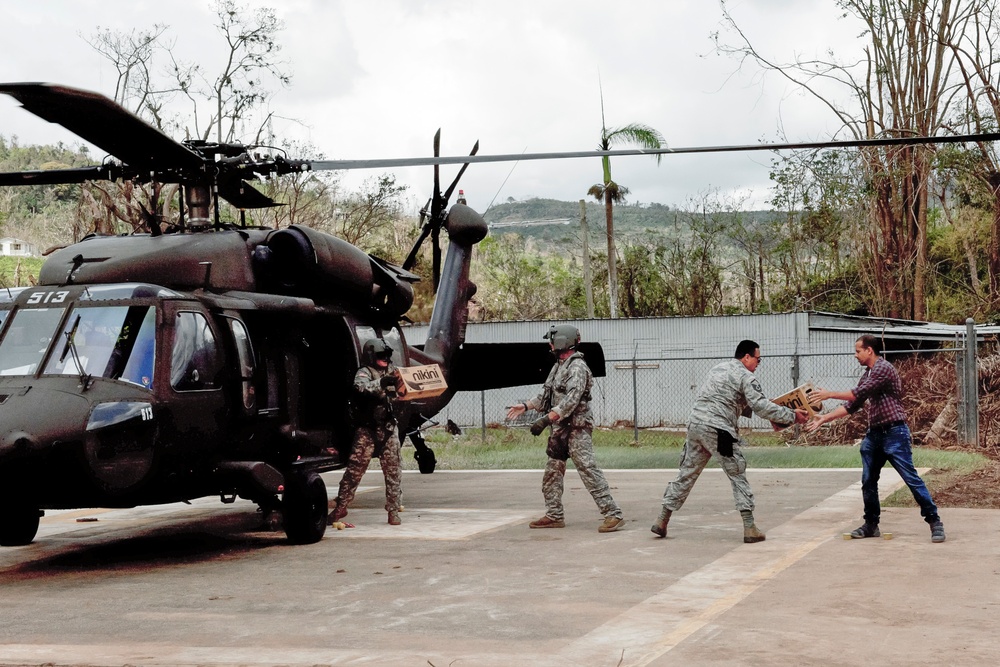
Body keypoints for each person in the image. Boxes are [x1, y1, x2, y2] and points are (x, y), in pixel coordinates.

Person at [652, 340, 808, 543]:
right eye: (757, 359)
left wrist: (775, 413)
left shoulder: (718, 368)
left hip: (695, 425)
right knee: (737, 473)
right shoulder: (746, 376)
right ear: (746, 357)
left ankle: (662, 520)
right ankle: (750, 527)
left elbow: (731, 400)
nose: (758, 364)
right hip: (718, 430)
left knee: (687, 473)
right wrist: (791, 416)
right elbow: (759, 405)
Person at [805, 334, 945, 543]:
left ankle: (935, 522)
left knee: (911, 478)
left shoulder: (883, 369)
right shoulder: (868, 374)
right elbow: (853, 404)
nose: (855, 355)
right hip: (875, 435)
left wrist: (829, 394)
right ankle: (871, 524)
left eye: (858, 351)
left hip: (895, 433)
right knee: (868, 481)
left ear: (869, 350)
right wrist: (824, 418)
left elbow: (858, 392)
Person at [506, 324, 625, 533]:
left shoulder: (577, 367)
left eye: (551, 340)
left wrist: (544, 420)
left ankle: (612, 514)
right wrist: (526, 406)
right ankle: (554, 515)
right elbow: (545, 395)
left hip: (577, 429)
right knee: (552, 473)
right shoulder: (559, 366)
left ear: (561, 342)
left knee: (588, 470)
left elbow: (570, 402)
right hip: (560, 429)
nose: (549, 344)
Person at [329, 337, 407, 526]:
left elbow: (401, 392)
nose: (386, 359)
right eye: (382, 356)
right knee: (354, 471)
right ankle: (341, 507)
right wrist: (381, 383)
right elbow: (361, 388)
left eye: (387, 356)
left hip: (388, 429)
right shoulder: (364, 372)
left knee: (394, 472)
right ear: (372, 356)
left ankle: (394, 511)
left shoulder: (393, 372)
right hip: (368, 430)